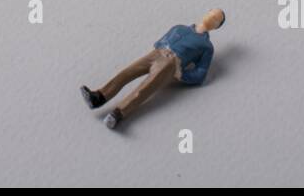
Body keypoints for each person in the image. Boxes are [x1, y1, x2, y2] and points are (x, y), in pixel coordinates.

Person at [80, 9, 225, 129]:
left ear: (217, 26)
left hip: (171, 62)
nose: (211, 17)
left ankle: (118, 114)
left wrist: (181, 73)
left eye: (215, 19)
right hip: (156, 53)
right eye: (211, 13)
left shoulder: (206, 46)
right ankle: (98, 97)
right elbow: (163, 39)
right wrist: (158, 47)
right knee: (127, 72)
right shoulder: (179, 27)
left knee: (145, 88)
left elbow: (200, 74)